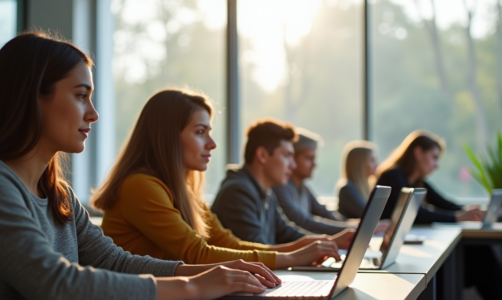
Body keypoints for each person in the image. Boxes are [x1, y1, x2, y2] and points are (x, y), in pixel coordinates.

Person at [0, 32, 282, 300]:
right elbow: (53, 284)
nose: (94, 114)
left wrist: (208, 273)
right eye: (80, 96)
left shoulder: (57, 194)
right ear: (32, 99)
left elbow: (114, 262)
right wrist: (192, 286)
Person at [93, 90, 341, 271]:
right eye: (200, 132)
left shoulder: (184, 192)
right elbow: (197, 254)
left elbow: (228, 243)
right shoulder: (140, 186)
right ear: (168, 137)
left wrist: (294, 249)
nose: (212, 144)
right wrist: (293, 257)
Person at [375, 130, 502, 300]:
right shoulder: (393, 176)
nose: (436, 165)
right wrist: (459, 217)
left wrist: (468, 211)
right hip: (396, 252)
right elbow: (416, 214)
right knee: (479, 257)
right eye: (434, 157)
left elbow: (444, 203)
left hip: (413, 247)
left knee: (480, 251)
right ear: (418, 152)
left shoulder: (417, 182)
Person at [211, 119, 354, 249]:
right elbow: (259, 252)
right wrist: (319, 247)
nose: (293, 165)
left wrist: (331, 242)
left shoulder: (265, 192)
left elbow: (287, 233)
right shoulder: (238, 192)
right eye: (286, 156)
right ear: (262, 155)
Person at [273, 130, 382, 235]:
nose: (315, 164)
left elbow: (324, 213)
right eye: (309, 158)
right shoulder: (281, 187)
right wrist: (356, 228)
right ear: (293, 159)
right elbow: (304, 222)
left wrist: (352, 225)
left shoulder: (303, 188)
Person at [337, 140, 378, 219]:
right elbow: (370, 216)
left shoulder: (362, 188)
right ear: (360, 164)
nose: (376, 164)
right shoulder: (347, 189)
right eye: (372, 160)